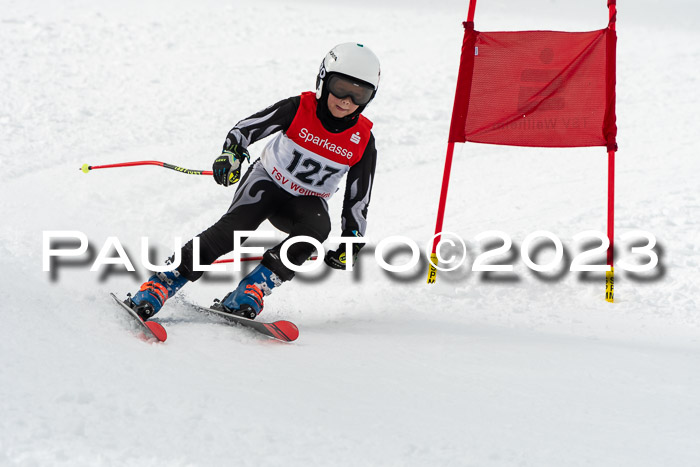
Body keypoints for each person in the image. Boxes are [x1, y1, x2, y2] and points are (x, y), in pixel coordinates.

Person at [126, 42, 380, 320]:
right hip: (267, 183)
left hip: (306, 201)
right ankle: (162, 282)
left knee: (315, 231)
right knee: (234, 230)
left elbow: (358, 198)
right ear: (323, 79)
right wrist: (232, 153)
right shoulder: (299, 108)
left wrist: (352, 239)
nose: (347, 101)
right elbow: (246, 129)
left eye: (359, 95)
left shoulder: (363, 140)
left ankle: (250, 291)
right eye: (341, 88)